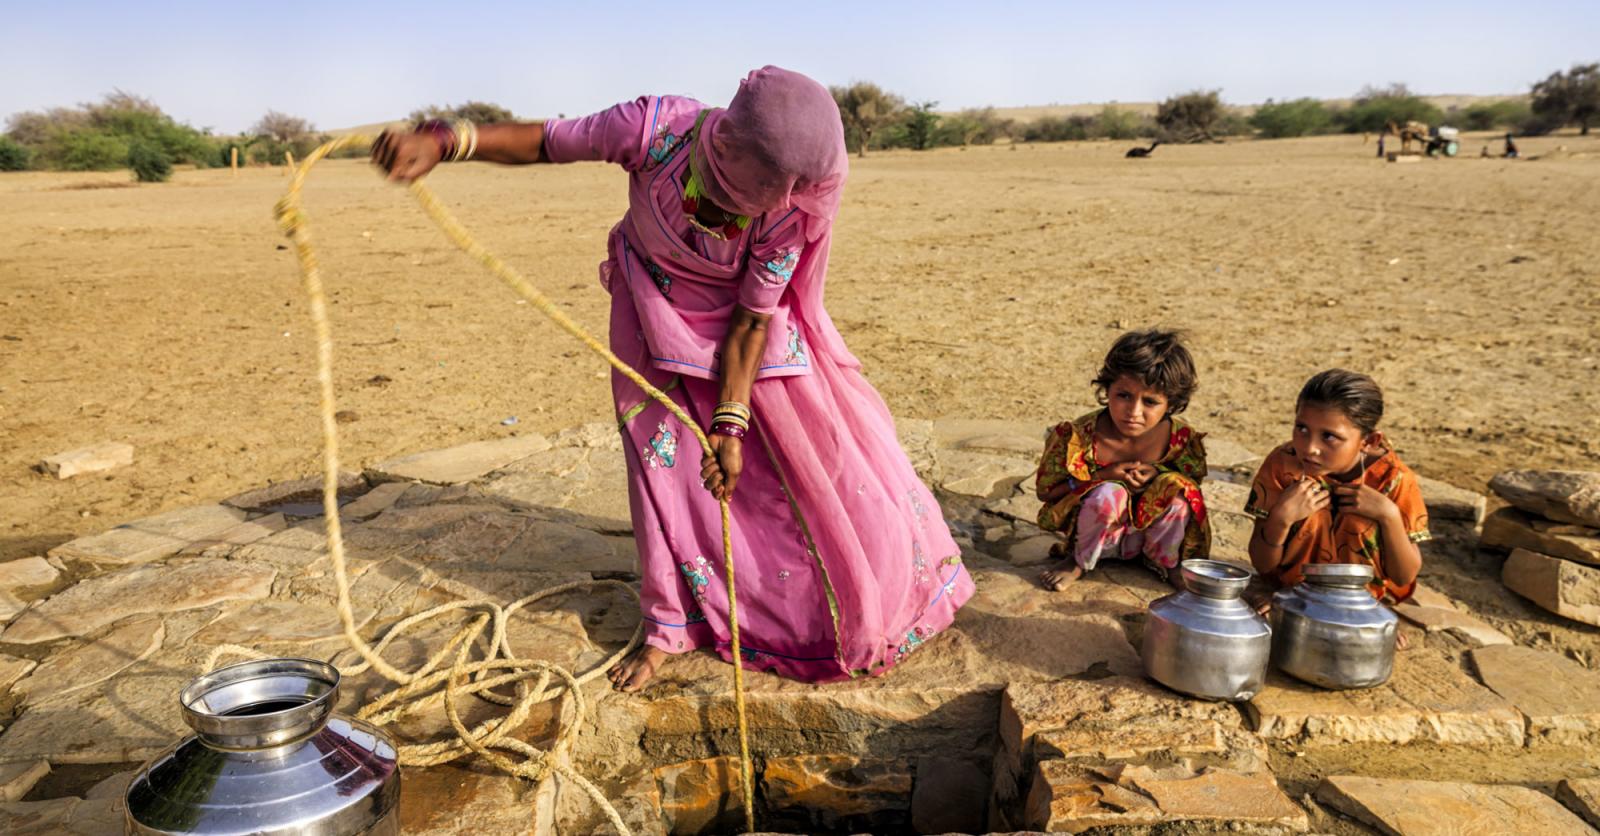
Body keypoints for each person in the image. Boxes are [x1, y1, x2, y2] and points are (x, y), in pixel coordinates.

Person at [370, 67, 973, 690]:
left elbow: (750, 319)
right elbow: (550, 141)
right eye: (742, 190)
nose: (747, 206)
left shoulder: (789, 213)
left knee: (806, 467)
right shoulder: (657, 130)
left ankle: (816, 616)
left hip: (750, 338)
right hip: (652, 317)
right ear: (724, 146)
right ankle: (671, 626)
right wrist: (445, 142)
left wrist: (730, 426)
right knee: (664, 469)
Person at [1034, 330, 1211, 591]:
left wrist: (1158, 474)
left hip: (1150, 540)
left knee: (1178, 493)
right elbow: (1046, 492)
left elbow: (1192, 485)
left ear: (1171, 404)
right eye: (1123, 395)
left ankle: (1168, 562)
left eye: (1150, 401)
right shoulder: (1078, 438)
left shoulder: (1181, 440)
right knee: (1109, 495)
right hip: (1102, 539)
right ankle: (1079, 561)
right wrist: (1101, 478)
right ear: (1107, 389)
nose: (1133, 411)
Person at [1244, 369, 1427, 609]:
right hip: (1288, 589)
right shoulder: (1284, 464)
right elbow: (1262, 564)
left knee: (1363, 520)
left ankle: (1367, 610)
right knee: (1300, 507)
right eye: (1301, 428)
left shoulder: (1393, 479)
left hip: (1360, 602)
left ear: (1368, 441)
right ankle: (1293, 596)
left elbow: (1404, 577)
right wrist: (1280, 519)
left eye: (1329, 436)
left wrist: (1388, 516)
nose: (1310, 448)